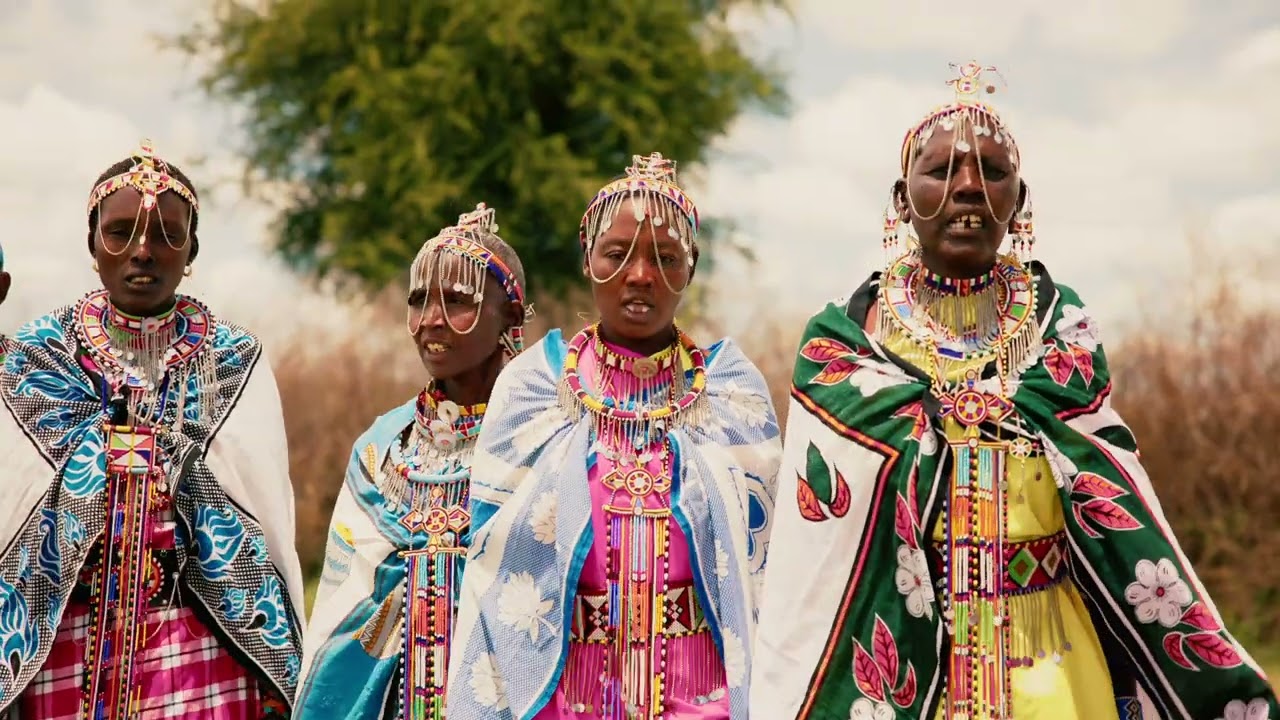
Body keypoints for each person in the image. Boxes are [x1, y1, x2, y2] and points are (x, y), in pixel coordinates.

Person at [749, 62, 1279, 720]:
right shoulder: (845, 345)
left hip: (1052, 662)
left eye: (992, 173)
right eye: (941, 171)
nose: (968, 187)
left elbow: (1098, 472)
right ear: (899, 198)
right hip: (918, 663)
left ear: (1018, 201)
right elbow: (819, 541)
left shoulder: (1062, 330)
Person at [444, 153, 781, 720]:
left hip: (705, 700)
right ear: (587, 260)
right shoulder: (533, 387)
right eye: (617, 254)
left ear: (691, 270)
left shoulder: (732, 395)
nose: (641, 275)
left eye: (666, 257)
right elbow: (491, 571)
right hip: (562, 698)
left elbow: (762, 573)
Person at [0, 140, 305, 718]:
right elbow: (13, 505)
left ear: (192, 250)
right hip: (65, 635)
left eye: (167, 234)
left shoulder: (234, 359)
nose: (143, 250)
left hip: (203, 639)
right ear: (92, 245)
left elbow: (264, 516)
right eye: (120, 233)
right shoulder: (41, 355)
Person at [295, 202, 530, 719]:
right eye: (419, 300)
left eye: (458, 300)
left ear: (510, 316)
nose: (431, 320)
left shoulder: (543, 438)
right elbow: (344, 606)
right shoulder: (384, 448)